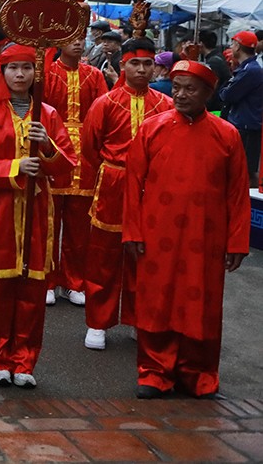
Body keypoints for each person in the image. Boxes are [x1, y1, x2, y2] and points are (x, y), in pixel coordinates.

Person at [124, 59, 250, 399]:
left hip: (207, 236)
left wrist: (237, 241)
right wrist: (132, 232)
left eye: (189, 89)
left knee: (202, 305)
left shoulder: (228, 135)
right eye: (176, 87)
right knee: (156, 301)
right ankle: (154, 373)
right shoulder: (152, 128)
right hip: (157, 231)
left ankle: (198, 374)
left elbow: (237, 193)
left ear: (208, 94)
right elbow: (133, 183)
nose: (179, 95)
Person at [0, 44, 75, 388]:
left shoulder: (49, 115)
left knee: (31, 291)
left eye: (27, 68)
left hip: (37, 210)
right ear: (2, 73)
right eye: (13, 69)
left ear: (35, 73)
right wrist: (14, 167)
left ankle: (24, 360)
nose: (20, 75)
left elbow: (67, 165)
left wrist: (47, 149)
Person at [78, 37, 172, 351]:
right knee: (103, 256)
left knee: (143, 256)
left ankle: (137, 317)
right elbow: (91, 148)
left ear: (155, 66)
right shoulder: (105, 103)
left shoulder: (165, 104)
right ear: (123, 65)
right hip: (113, 184)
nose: (142, 69)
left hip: (152, 188)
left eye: (148, 63)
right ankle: (98, 322)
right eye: (135, 63)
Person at [42, 37, 108, 307]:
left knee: (79, 227)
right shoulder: (47, 74)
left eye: (82, 40)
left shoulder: (94, 75)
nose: (78, 44)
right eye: (71, 40)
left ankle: (74, 281)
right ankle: (47, 279)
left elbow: (103, 113)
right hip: (53, 147)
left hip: (87, 154)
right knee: (49, 222)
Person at [219, 30, 263, 188]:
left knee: (246, 170)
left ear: (238, 46)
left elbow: (227, 95)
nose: (231, 47)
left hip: (247, 127)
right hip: (243, 124)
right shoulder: (247, 69)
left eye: (233, 43)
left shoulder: (250, 71)